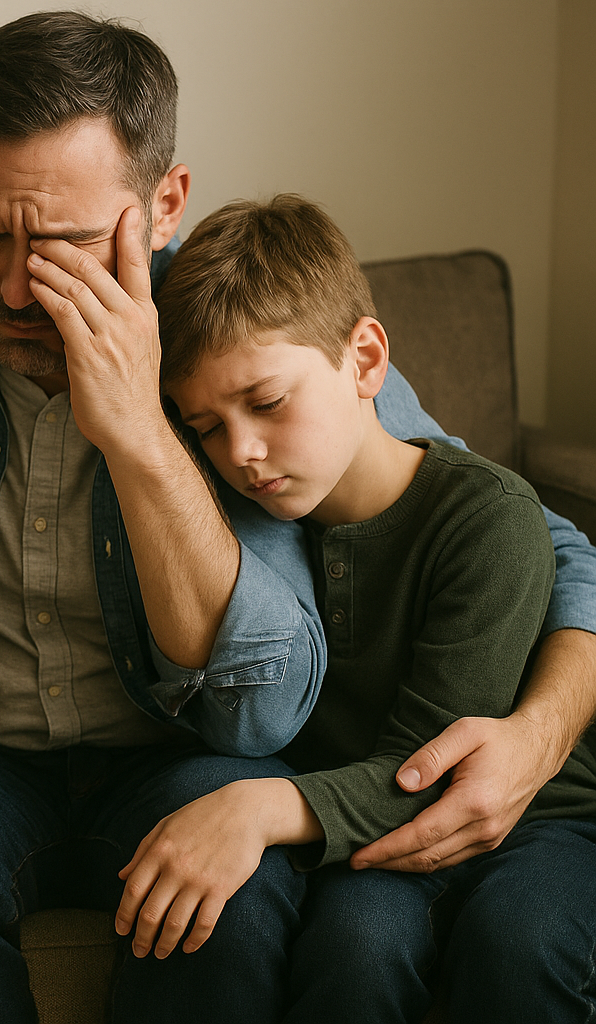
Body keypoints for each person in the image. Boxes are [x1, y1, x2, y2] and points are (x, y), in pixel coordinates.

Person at [0, 11, 596, 1023]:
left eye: (66, 241)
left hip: (183, 748)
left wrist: (544, 728)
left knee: (230, 876)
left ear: (165, 204)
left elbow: (514, 530)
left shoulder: (235, 331)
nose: (19, 284)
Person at [120, 194, 596, 1022]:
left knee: (519, 946)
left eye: (266, 403)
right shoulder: (254, 529)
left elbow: (433, 769)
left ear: (366, 360)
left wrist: (258, 805)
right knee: (354, 946)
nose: (242, 455)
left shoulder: (487, 518)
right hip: (370, 835)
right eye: (207, 427)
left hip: (534, 822)